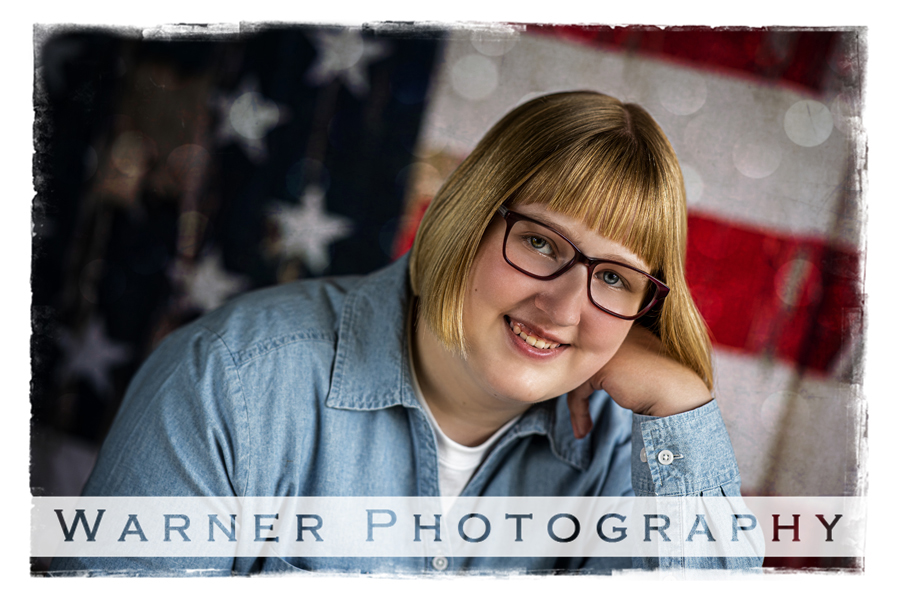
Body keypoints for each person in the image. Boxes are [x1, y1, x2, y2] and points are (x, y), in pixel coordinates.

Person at [49, 91, 761, 575]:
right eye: (542, 243)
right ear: (467, 216)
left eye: (614, 278)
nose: (565, 307)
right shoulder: (231, 382)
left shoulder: (627, 457)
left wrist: (683, 411)